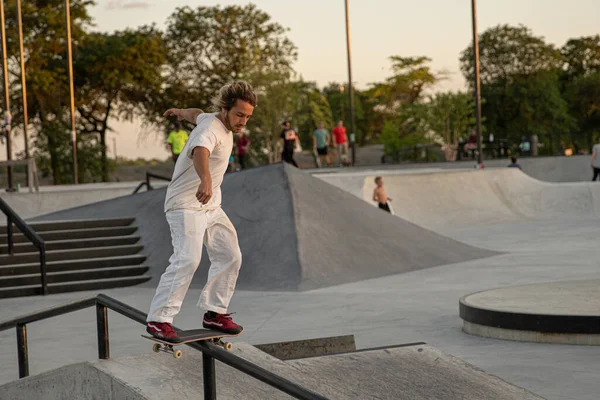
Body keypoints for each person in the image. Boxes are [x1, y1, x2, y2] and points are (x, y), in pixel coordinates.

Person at [145, 81, 257, 342]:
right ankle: (159, 319)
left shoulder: (207, 118)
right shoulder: (209, 129)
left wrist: (180, 111)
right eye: (239, 114)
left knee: (230, 254)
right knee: (188, 258)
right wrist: (205, 179)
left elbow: (195, 114)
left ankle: (215, 312)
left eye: (248, 116)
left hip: (210, 205)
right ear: (226, 109)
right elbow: (200, 152)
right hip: (185, 203)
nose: (243, 121)